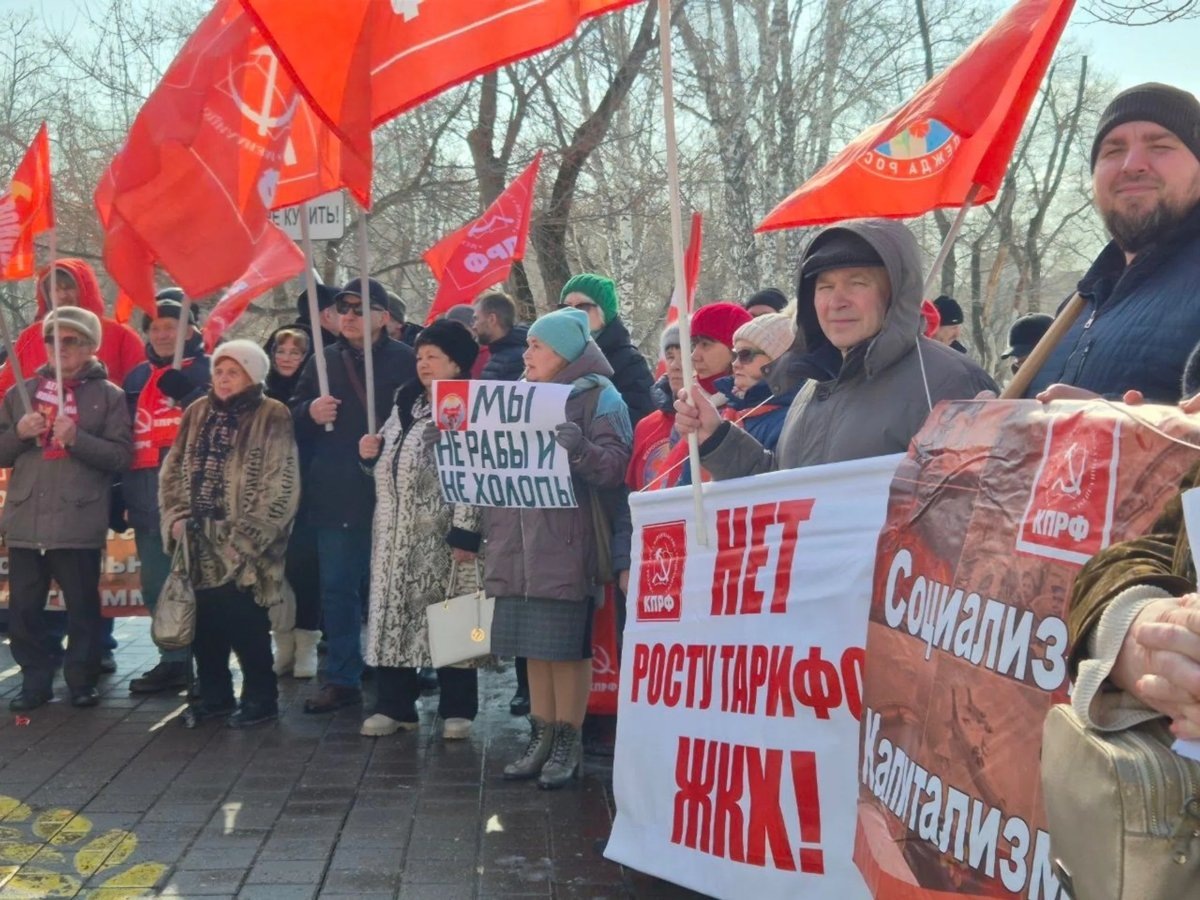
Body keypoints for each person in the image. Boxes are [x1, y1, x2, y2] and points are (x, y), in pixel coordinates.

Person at [676, 218, 997, 472]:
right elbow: (791, 492)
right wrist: (717, 438)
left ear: (895, 293)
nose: (837, 302)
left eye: (857, 283)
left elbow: (975, 511)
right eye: (825, 287)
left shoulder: (950, 382)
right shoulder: (814, 385)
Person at [484, 308, 631, 789]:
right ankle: (541, 735)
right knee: (534, 648)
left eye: (537, 346)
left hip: (567, 542)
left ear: (564, 353)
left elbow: (617, 467)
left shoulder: (601, 397)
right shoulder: (516, 396)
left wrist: (581, 450)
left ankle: (568, 738)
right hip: (517, 545)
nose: (526, 354)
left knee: (565, 649)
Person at [290, 278, 416, 713]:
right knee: (339, 589)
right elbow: (292, 417)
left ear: (383, 317)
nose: (348, 316)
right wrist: (310, 411)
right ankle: (343, 677)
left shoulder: (407, 361)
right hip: (336, 493)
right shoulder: (322, 361)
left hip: (392, 493)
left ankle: (401, 668)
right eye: (343, 309)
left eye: (359, 309)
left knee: (394, 587)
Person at [1029, 83, 1200, 403]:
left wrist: (1119, 423)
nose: (1131, 164)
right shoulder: (1078, 306)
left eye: (1160, 146)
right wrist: (997, 417)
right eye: (1113, 151)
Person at [159, 341, 299, 728]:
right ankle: (215, 695)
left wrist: (248, 539)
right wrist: (175, 516)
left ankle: (261, 697)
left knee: (246, 622)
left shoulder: (272, 413)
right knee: (204, 623)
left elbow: (281, 481)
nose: (223, 379)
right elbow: (173, 470)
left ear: (252, 376)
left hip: (246, 544)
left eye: (233, 372)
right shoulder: (196, 411)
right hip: (197, 537)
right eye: (219, 371)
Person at [0, 308, 132, 710]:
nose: (60, 348)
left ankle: (81, 681)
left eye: (71, 340)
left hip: (78, 518)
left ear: (91, 346)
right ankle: (35, 681)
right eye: (52, 339)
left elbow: (120, 457)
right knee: (23, 611)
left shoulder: (109, 396)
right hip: (26, 520)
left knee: (83, 609)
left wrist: (77, 438)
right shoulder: (19, 393)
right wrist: (19, 434)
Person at [357, 320, 483, 740]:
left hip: (440, 535)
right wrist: (369, 455)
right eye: (420, 356)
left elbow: (474, 470)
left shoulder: (466, 404)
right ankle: (394, 706)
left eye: (434, 356)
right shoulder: (405, 402)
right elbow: (389, 462)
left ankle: (458, 709)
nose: (423, 363)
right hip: (393, 535)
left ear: (457, 363)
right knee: (392, 616)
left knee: (452, 616)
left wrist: (466, 529)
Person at [124, 292, 212, 695]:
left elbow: (226, 425)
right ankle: (173, 660)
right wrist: (119, 496)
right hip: (147, 499)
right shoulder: (135, 378)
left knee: (203, 586)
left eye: (171, 327)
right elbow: (123, 437)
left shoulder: (212, 369)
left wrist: (189, 393)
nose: (161, 335)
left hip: (197, 501)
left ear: (190, 331)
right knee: (157, 585)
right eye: (155, 327)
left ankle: (209, 667)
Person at [471, 289, 532, 715]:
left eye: (477, 317)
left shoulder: (505, 361)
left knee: (522, 592)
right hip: (507, 490)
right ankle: (527, 686)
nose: (474, 324)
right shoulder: (502, 358)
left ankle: (527, 688)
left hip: (516, 489)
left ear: (493, 319)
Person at [263, 327, 322, 679]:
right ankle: (282, 642)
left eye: (295, 352)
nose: (286, 358)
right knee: (274, 572)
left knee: (305, 570)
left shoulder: (317, 393)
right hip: (268, 496)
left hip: (308, 494)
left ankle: (307, 644)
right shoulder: (258, 391)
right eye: (280, 351)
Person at [0, 259, 144, 395]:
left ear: (85, 289)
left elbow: (143, 390)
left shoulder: (121, 336)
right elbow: (4, 392)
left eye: (68, 288)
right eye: (55, 290)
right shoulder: (29, 338)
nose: (62, 295)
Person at [560, 274, 655, 426]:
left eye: (582, 307)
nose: (572, 314)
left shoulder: (629, 361)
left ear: (604, 314)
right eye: (566, 307)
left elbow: (641, 419)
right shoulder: (553, 356)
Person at [718, 312, 799, 453]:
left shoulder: (790, 422)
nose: (735, 364)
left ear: (778, 360)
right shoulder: (727, 411)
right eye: (734, 355)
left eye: (745, 355)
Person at [627, 324, 685, 492]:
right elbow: (634, 492)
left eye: (685, 356)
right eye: (670, 356)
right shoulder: (646, 426)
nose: (675, 365)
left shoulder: (719, 420)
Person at [474, 291, 528, 382]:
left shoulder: (515, 359)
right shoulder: (500, 352)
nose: (474, 326)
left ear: (492, 319)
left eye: (476, 318)